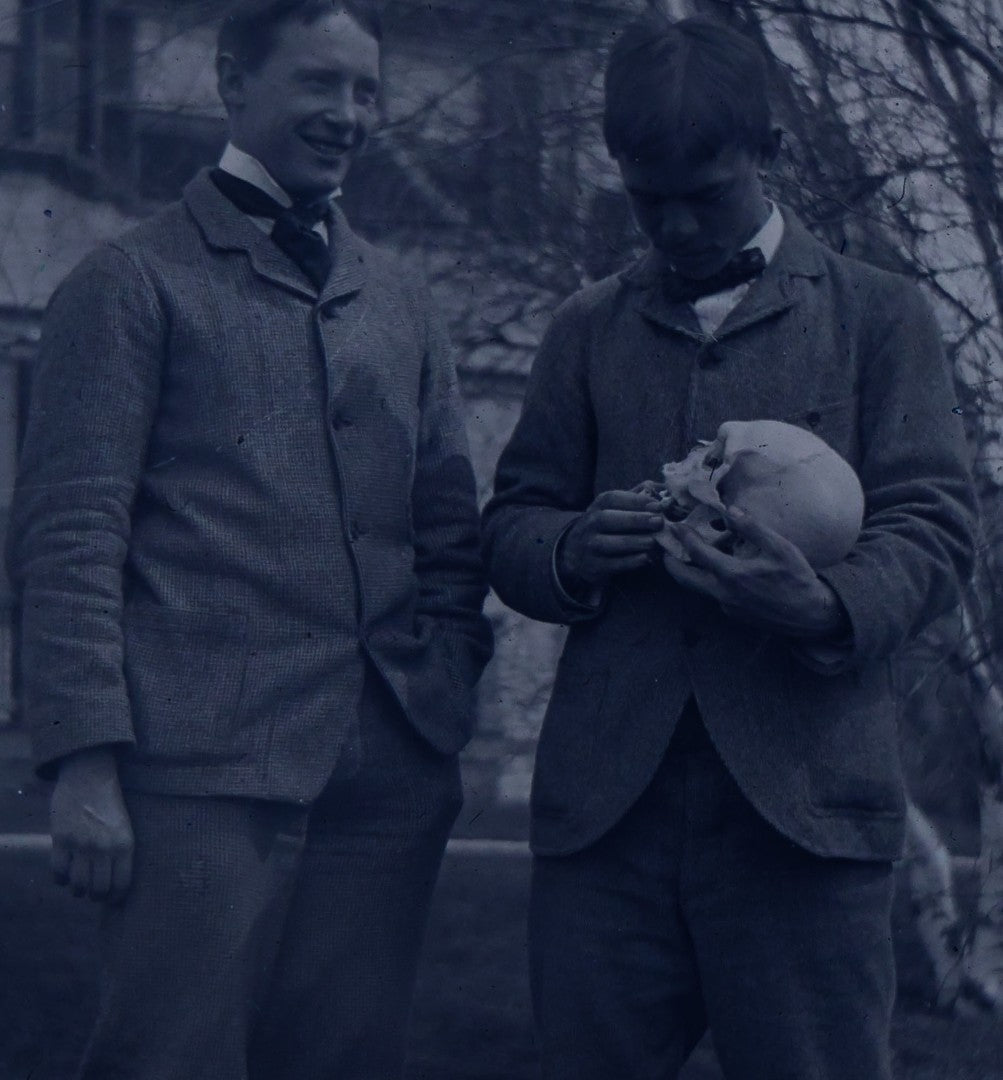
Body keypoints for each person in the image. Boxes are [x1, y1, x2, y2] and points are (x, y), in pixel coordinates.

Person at [482, 14, 976, 1080]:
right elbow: (512, 525)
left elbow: (935, 525)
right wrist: (575, 545)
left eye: (702, 196)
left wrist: (822, 606)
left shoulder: (879, 317)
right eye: (644, 198)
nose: (673, 227)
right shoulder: (586, 328)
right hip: (608, 826)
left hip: (803, 820)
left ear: (769, 153)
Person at [6, 2, 492, 1078]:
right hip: (196, 784)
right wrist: (85, 764)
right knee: (165, 1062)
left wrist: (441, 698)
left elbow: (447, 527)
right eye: (319, 83)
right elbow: (71, 532)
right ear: (233, 80)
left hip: (384, 784)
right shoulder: (129, 282)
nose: (350, 114)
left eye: (367, 91)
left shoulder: (402, 301)